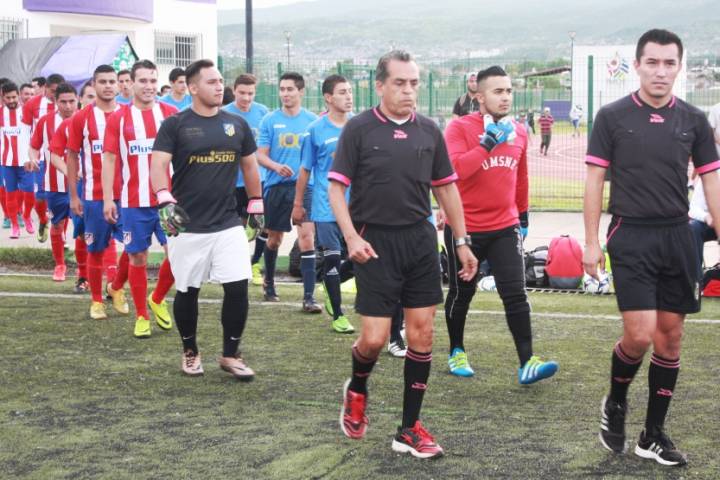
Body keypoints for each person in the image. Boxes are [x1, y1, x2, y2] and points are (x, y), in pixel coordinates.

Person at [330, 50, 478, 459]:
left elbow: (446, 188)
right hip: (373, 243)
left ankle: (409, 428)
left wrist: (462, 240)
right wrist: (350, 238)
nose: (408, 90)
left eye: (413, 83)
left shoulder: (429, 131)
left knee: (422, 334)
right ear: (380, 86)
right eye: (399, 83)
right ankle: (358, 387)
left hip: (419, 241)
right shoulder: (359, 129)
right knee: (375, 339)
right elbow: (337, 188)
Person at [584, 29, 720, 467]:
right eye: (653, 62)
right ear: (638, 65)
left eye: (669, 63)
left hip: (678, 236)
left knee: (671, 338)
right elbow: (594, 181)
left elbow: (712, 180)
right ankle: (616, 400)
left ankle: (653, 435)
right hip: (631, 234)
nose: (661, 71)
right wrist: (590, 242)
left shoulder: (694, 120)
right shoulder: (612, 117)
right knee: (640, 334)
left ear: (679, 67)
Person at [443, 66, 559, 384]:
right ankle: (456, 350)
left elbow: (521, 177)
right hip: (464, 229)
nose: (505, 97)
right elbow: (455, 171)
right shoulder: (459, 128)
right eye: (498, 91)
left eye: (508, 91)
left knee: (515, 293)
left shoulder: (519, 131)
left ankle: (527, 362)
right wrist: (485, 146)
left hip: (505, 226)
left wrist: (523, 216)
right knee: (462, 293)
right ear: (480, 97)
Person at [150, 59, 263, 379]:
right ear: (193, 87)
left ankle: (230, 354)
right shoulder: (175, 125)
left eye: (220, 81)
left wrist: (256, 203)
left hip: (228, 222)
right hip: (186, 224)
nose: (219, 86)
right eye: (211, 81)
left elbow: (250, 166)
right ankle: (190, 351)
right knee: (188, 291)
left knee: (238, 287)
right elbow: (158, 164)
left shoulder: (236, 124)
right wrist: (163, 197)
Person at [102, 60, 177, 338]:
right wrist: (108, 199)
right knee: (137, 256)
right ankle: (142, 316)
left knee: (178, 255)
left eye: (153, 81)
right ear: (131, 83)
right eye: (143, 81)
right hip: (133, 201)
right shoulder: (118, 118)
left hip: (168, 201)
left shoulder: (171, 115)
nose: (148, 86)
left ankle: (157, 298)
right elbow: (109, 160)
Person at [292, 74, 355, 333]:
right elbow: (305, 170)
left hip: (356, 206)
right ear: (328, 98)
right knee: (332, 257)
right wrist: (298, 204)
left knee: (361, 258)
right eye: (342, 92)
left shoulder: (358, 126)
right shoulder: (314, 130)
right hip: (325, 205)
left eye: (350, 91)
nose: (349, 96)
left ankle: (331, 285)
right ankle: (338, 314)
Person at [67, 64, 128, 320]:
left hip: (128, 196)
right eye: (102, 81)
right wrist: (74, 195)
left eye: (112, 81)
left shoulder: (128, 114)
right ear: (94, 84)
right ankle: (96, 301)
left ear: (119, 85)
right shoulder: (81, 117)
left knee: (135, 249)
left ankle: (115, 287)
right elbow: (71, 156)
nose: (108, 86)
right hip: (93, 196)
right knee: (95, 250)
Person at [256, 72, 319, 309]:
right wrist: (275, 166)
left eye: (290, 89)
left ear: (301, 92)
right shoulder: (270, 120)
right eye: (282, 89)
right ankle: (269, 283)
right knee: (274, 239)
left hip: (306, 187)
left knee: (307, 238)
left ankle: (309, 297)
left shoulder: (312, 122)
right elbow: (260, 155)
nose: (285, 94)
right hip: (276, 187)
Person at [27, 83, 79, 282]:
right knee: (57, 225)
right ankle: (60, 265)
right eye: (63, 102)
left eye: (71, 101)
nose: (68, 106)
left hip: (82, 186)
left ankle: (84, 269)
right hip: (54, 184)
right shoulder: (45, 121)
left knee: (83, 228)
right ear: (55, 101)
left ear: (78, 100)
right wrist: (33, 158)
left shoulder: (86, 120)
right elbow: (34, 146)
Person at [222, 74, 269, 286]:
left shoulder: (263, 113)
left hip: (259, 180)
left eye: (250, 93)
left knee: (262, 224)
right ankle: (236, 266)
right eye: (242, 93)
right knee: (236, 227)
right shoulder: (223, 114)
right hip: (232, 182)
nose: (246, 98)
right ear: (234, 90)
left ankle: (255, 263)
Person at [22, 73, 66, 242]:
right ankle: (42, 219)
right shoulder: (32, 104)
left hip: (64, 159)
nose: (56, 94)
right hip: (41, 158)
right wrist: (27, 156)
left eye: (58, 91)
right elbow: (25, 131)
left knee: (65, 199)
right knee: (40, 197)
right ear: (45, 88)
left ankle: (61, 234)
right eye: (53, 91)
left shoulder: (67, 103)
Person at [0, 82, 33, 239]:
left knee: (30, 194)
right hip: (7, 162)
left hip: (26, 161)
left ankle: (26, 216)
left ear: (18, 95)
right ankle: (14, 225)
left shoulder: (27, 112)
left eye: (14, 97)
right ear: (3, 97)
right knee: (10, 194)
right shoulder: (0, 113)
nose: (12, 100)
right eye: (8, 98)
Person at [688, 177, 717, 270]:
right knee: (693, 228)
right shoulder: (709, 175)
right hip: (712, 223)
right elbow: (693, 208)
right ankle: (695, 275)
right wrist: (706, 217)